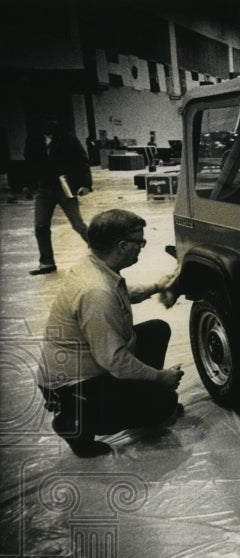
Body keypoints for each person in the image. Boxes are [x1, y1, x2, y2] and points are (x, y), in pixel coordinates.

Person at [37, 209, 184, 457]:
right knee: (164, 404)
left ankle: (143, 395)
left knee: (157, 330)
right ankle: (74, 423)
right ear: (122, 246)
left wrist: (156, 286)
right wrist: (161, 377)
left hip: (87, 365)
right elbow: (116, 362)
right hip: (73, 387)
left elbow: (121, 293)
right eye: (140, 242)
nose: (142, 247)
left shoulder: (94, 265)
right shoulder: (96, 292)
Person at [23, 117, 92, 275]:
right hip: (44, 187)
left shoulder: (68, 138)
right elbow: (29, 164)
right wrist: (26, 184)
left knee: (77, 224)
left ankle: (101, 253)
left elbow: (82, 161)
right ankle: (47, 263)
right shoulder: (33, 140)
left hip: (64, 185)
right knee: (40, 226)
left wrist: (85, 184)